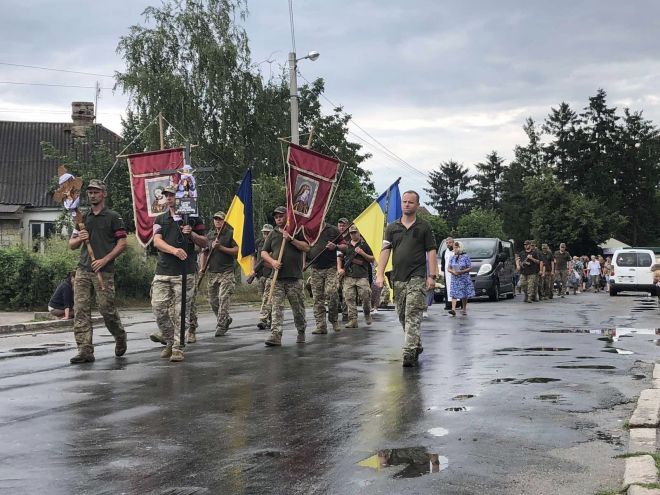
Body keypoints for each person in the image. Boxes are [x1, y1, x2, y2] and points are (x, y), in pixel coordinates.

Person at [68, 179, 128, 364]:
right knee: (81, 310)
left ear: (104, 194)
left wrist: (105, 259)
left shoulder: (113, 217)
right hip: (84, 269)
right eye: (90, 192)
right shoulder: (82, 218)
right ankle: (85, 350)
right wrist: (80, 238)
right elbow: (71, 244)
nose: (92, 195)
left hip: (105, 270)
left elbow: (122, 243)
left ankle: (119, 335)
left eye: (96, 192)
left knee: (106, 309)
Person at [376, 191, 437, 367]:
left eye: (411, 202)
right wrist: (380, 274)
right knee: (402, 313)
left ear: (417, 205)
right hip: (398, 278)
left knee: (412, 311)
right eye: (404, 202)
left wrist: (431, 275)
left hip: (417, 276)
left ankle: (409, 351)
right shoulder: (392, 228)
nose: (407, 204)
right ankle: (416, 343)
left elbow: (431, 251)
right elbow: (385, 250)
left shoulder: (424, 227)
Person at [150, 185, 207, 362]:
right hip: (164, 270)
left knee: (180, 312)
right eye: (167, 195)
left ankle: (177, 347)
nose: (169, 198)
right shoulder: (161, 218)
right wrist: (174, 250)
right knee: (158, 308)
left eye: (172, 195)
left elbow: (205, 242)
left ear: (181, 197)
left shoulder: (193, 218)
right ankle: (168, 340)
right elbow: (157, 242)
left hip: (185, 272)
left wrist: (192, 235)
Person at [260, 206, 310, 346]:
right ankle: (276, 335)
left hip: (294, 277)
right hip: (278, 277)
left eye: (281, 216)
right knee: (277, 307)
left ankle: (301, 331)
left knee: (298, 308)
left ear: (287, 216)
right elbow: (264, 252)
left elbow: (306, 247)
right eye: (276, 217)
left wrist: (291, 239)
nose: (278, 219)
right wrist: (272, 261)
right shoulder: (273, 233)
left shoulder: (297, 230)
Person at [200, 211, 238, 336]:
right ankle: (225, 318)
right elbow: (204, 252)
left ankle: (221, 326)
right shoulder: (210, 235)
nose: (217, 221)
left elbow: (237, 251)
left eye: (220, 219)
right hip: (212, 272)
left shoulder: (230, 234)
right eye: (215, 219)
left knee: (223, 298)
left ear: (224, 221)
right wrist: (202, 268)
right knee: (212, 300)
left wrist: (221, 247)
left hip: (226, 272)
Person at [308, 222, 341, 334]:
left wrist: (335, 246)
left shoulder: (333, 230)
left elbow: (344, 246)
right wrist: (303, 262)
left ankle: (334, 319)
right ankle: (321, 325)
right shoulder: (310, 229)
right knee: (317, 298)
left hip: (330, 267)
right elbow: (304, 246)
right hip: (315, 268)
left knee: (332, 293)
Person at [339, 225, 374, 328]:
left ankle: (367, 313)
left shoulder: (365, 245)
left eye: (355, 232)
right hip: (349, 276)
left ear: (359, 233)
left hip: (362, 276)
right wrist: (339, 269)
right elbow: (339, 257)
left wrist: (362, 253)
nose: (353, 234)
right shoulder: (346, 245)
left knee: (366, 296)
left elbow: (372, 259)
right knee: (349, 298)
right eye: (351, 233)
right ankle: (353, 320)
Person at [252, 224, 274, 330]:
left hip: (271, 274)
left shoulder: (274, 243)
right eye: (264, 232)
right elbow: (254, 257)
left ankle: (265, 320)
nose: (266, 234)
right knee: (263, 298)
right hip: (260, 274)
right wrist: (253, 270)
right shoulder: (258, 243)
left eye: (267, 232)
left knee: (269, 299)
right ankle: (268, 318)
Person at [447, 241, 475, 316]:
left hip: (463, 278)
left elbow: (469, 268)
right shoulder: (453, 257)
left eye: (456, 247)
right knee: (454, 293)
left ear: (460, 248)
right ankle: (453, 309)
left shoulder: (465, 257)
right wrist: (453, 272)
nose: (455, 249)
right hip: (455, 278)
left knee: (464, 294)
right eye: (454, 247)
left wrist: (461, 271)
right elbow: (448, 268)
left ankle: (464, 309)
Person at [440, 237, 456, 310]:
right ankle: (448, 304)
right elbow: (443, 262)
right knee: (447, 288)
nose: (448, 244)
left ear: (453, 243)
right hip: (447, 273)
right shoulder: (444, 252)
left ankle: (459, 304)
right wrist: (443, 271)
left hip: (456, 272)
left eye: (450, 242)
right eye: (447, 243)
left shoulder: (456, 251)